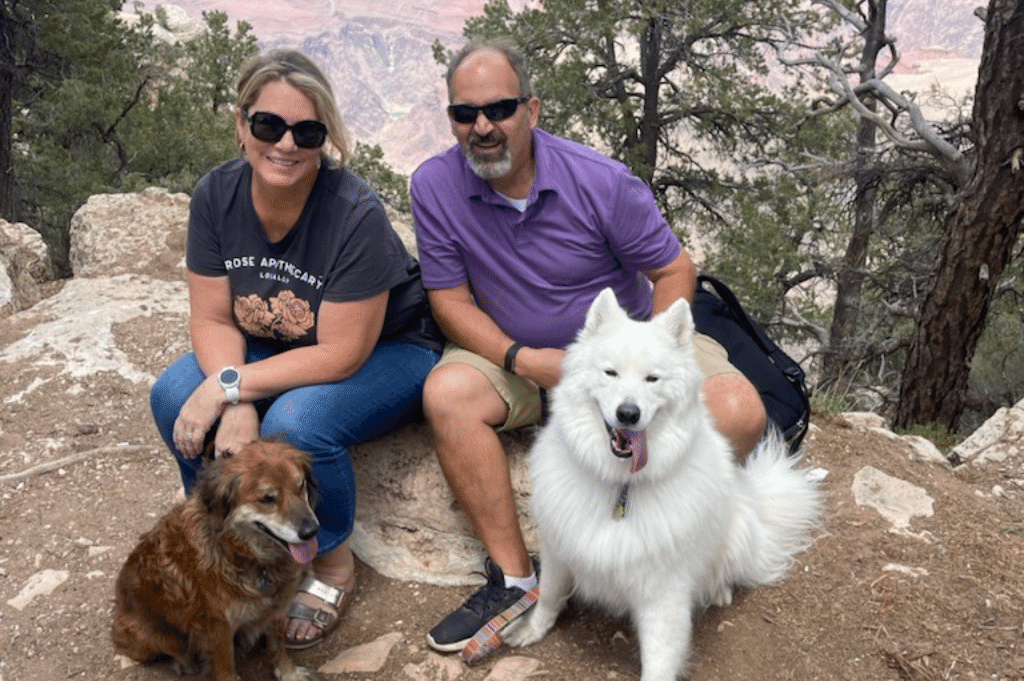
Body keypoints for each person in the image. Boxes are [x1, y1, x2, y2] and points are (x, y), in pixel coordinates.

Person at [409, 38, 767, 652]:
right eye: (465, 114)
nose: (483, 127)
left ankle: (657, 543)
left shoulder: (600, 182)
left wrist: (646, 360)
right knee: (447, 396)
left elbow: (674, 272)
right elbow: (450, 301)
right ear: (452, 120)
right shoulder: (435, 185)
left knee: (738, 409)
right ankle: (518, 578)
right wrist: (522, 360)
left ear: (533, 110)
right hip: (517, 354)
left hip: (621, 352)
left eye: (499, 108)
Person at [150, 48, 444, 650]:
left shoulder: (352, 214)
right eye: (268, 125)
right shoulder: (216, 196)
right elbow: (210, 317)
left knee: (297, 423)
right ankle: (225, 544)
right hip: (278, 345)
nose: (285, 143)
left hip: (387, 351)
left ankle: (331, 560)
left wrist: (233, 387)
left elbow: (340, 354)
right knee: (174, 393)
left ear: (325, 137)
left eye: (306, 131)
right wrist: (229, 397)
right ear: (242, 124)